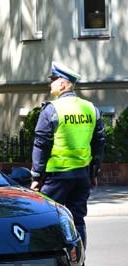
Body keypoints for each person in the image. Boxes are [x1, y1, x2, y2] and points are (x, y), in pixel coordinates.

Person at [30, 61, 105, 248]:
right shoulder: (90, 109)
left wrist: (36, 177)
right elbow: (99, 143)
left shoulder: (52, 110)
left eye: (53, 80)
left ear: (63, 83)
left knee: (46, 220)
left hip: (57, 177)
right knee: (77, 221)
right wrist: (94, 173)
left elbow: (41, 144)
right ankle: (79, 264)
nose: (50, 84)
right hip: (81, 176)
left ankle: (50, 265)